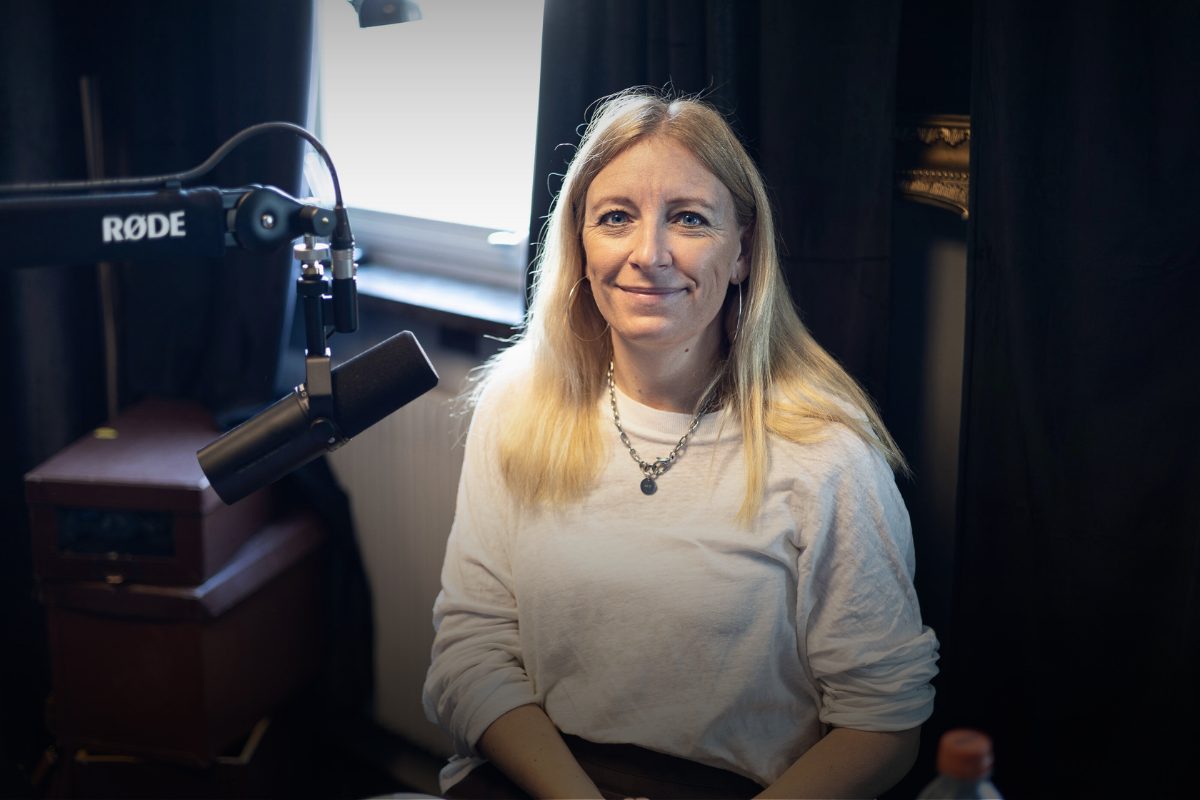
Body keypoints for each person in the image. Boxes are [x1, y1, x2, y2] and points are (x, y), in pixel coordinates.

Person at [422, 88, 939, 800]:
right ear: (580, 244)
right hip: (540, 780)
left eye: (690, 218)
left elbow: (882, 724)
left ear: (743, 253)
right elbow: (471, 652)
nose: (650, 254)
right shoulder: (518, 404)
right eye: (616, 218)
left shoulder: (828, 454)